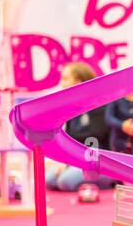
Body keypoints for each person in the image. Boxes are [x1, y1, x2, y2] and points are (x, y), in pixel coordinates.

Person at [46, 62, 115, 191]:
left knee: (64, 182)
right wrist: (65, 162)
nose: (62, 83)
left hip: (98, 160)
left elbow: (96, 134)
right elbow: (70, 139)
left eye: (66, 79)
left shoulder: (99, 103)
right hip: (79, 158)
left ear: (78, 82)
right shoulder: (72, 107)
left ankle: (111, 179)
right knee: (49, 181)